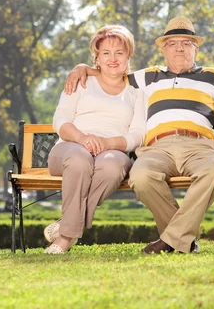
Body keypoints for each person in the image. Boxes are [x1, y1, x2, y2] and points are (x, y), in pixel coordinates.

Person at [64, 16, 214, 254]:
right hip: (156, 148)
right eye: (172, 43)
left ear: (196, 48)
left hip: (199, 146)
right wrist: (82, 69)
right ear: (164, 49)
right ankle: (183, 240)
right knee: (140, 176)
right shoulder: (148, 76)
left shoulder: (212, 77)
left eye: (186, 43)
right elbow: (111, 72)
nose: (179, 48)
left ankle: (169, 240)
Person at [43, 24, 146, 254]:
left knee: (112, 166)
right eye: (106, 53)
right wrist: (83, 138)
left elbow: (138, 135)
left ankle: (64, 228)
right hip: (69, 148)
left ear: (128, 56)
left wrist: (108, 143)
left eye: (119, 53)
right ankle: (66, 237)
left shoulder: (137, 93)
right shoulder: (81, 81)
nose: (113, 59)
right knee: (80, 159)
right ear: (96, 57)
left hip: (111, 152)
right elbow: (60, 120)